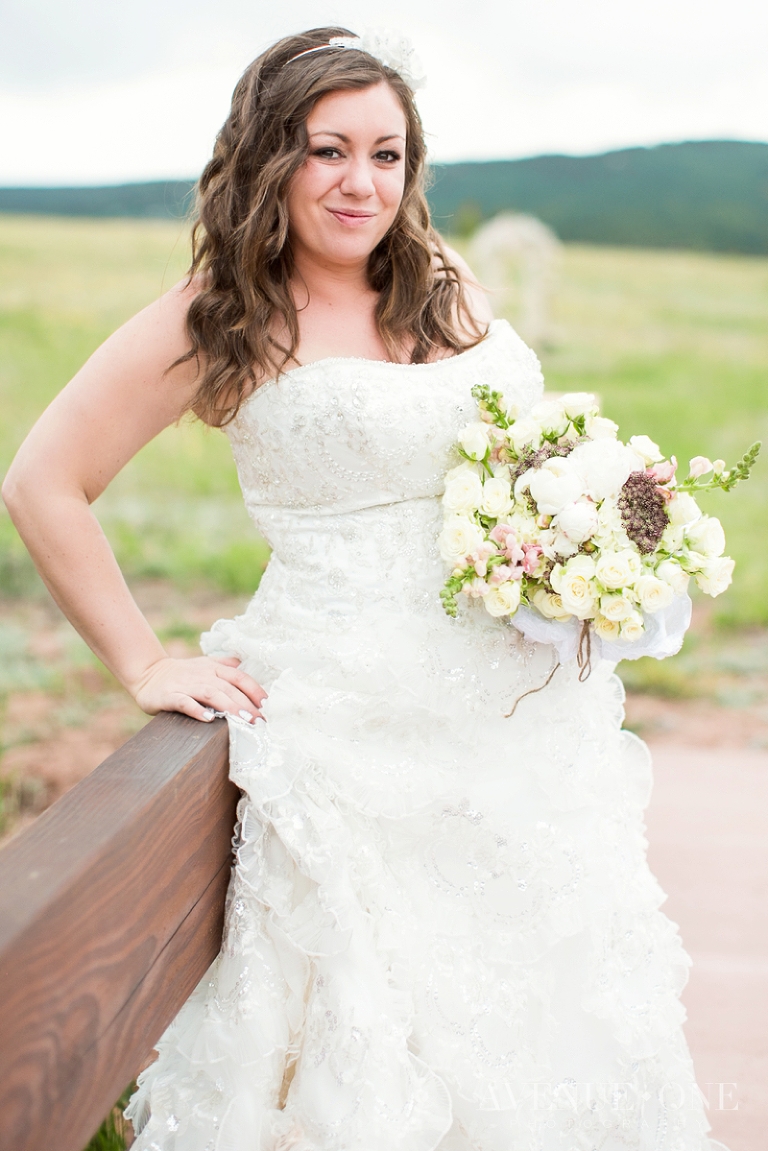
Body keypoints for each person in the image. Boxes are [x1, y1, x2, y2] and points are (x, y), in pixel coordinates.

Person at [2, 27, 728, 1151]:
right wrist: (144, 659)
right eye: (327, 150)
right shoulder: (219, 317)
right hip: (348, 730)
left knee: (549, 1017)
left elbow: (514, 455)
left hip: (521, 736)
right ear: (267, 158)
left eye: (386, 154)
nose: (361, 183)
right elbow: (44, 480)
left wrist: (582, 539)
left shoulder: (442, 287)